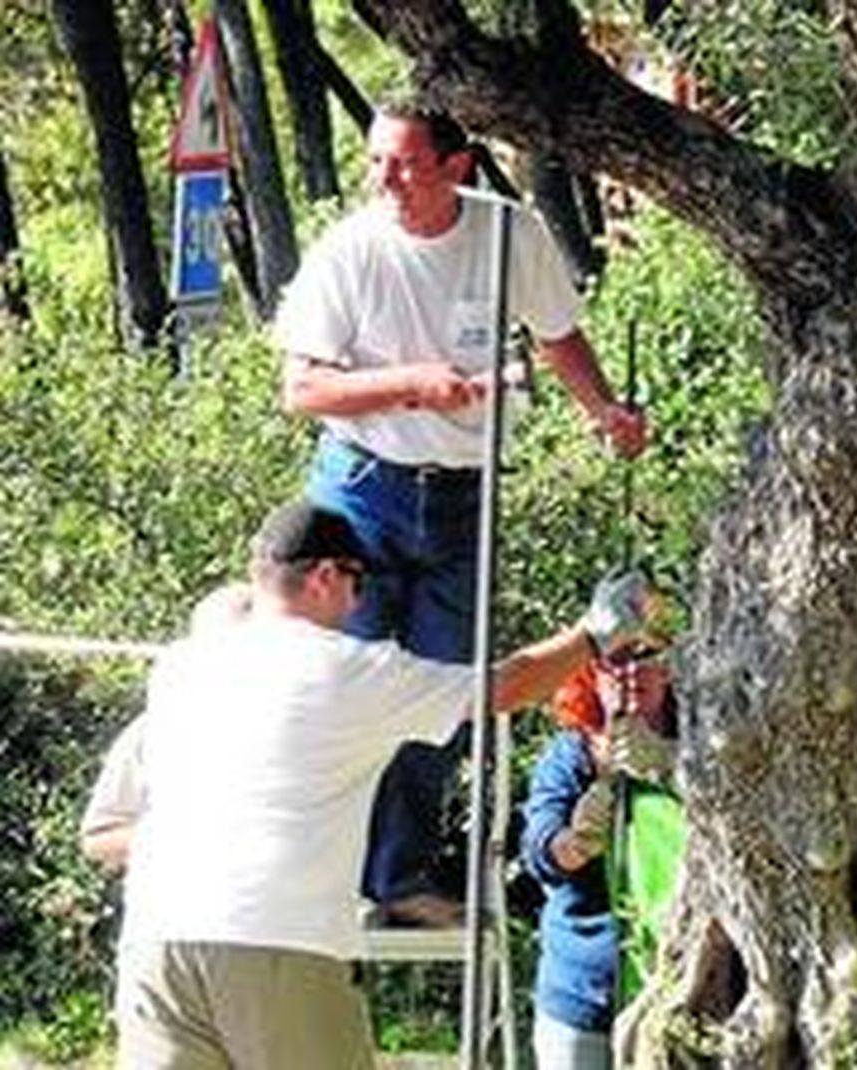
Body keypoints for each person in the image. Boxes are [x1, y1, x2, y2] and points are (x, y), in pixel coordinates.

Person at [272, 92, 649, 926]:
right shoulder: (351, 250)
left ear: (456, 165)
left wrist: (606, 411)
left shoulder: (508, 235)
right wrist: (412, 384)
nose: (385, 180)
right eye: (376, 161)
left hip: (461, 493)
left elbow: (558, 334)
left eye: (403, 163)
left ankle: (398, 877)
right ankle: (326, 871)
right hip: (360, 488)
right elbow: (302, 388)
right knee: (342, 683)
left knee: (445, 691)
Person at [113, 499, 649, 1069]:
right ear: (324, 575)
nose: (358, 600)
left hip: (156, 941)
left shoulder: (181, 666)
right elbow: (504, 688)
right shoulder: (349, 669)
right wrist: (594, 635)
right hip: (279, 940)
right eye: (357, 580)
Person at [521, 643, 678, 1070]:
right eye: (614, 662)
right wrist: (574, 843)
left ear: (669, 668)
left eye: (645, 656)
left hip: (684, 988)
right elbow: (539, 847)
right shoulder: (571, 755)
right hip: (585, 994)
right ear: (590, 675)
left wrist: (670, 765)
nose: (630, 672)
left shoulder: (704, 745)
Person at [79, 583, 252, 874]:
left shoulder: (314, 730)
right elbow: (97, 839)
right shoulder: (151, 732)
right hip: (177, 909)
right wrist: (189, 837)